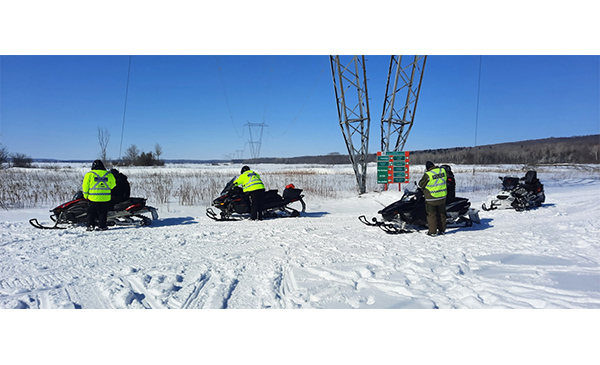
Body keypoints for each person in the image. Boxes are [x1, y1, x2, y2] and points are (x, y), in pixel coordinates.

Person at [82, 160, 116, 231]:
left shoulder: (89, 174)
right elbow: (113, 185)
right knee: (103, 213)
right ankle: (102, 226)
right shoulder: (109, 174)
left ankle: (91, 225)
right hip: (105, 198)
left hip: (93, 198)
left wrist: (85, 195)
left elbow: (85, 186)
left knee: (91, 212)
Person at [418, 161, 448, 236]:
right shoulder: (442, 171)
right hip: (442, 197)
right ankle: (442, 230)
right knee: (442, 214)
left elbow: (421, 184)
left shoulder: (428, 174)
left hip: (432, 198)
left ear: (427, 168)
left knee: (432, 215)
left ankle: (432, 232)